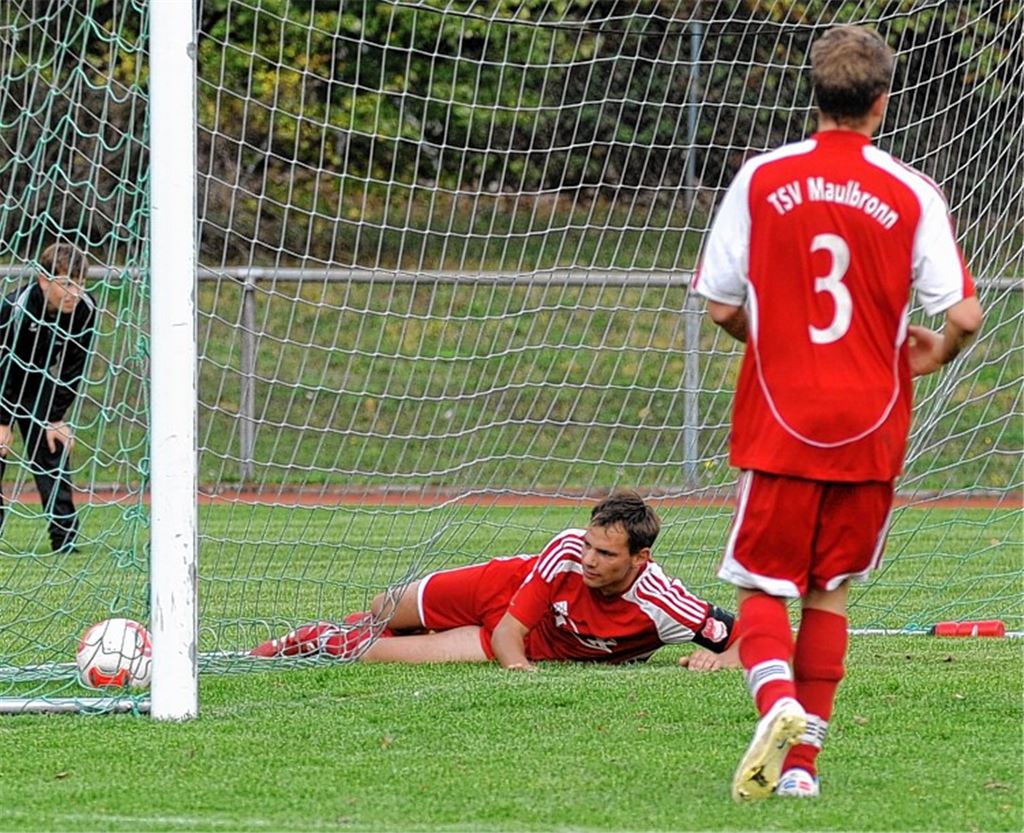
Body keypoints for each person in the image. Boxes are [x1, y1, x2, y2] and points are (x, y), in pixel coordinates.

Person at [693, 25, 983, 801]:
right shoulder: (911, 191)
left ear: (815, 93)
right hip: (871, 424)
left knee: (761, 587)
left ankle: (774, 700)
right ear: (882, 102)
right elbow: (964, 314)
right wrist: (936, 352)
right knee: (830, 590)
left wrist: (769, 337)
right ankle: (801, 772)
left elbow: (719, 303)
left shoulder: (762, 177)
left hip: (781, 418)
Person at [252, 490, 741, 672]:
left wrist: (721, 658)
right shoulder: (567, 550)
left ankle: (309, 638)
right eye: (589, 545)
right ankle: (376, 623)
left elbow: (756, 636)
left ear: (640, 558)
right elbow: (510, 630)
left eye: (605, 553)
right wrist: (518, 672)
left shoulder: (665, 603)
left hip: (526, 641)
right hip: (502, 592)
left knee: (370, 653)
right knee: (383, 606)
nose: (588, 558)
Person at [0, 242, 97, 553]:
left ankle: (64, 540)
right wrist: (2, 422)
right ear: (44, 280)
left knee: (52, 448)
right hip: (3, 381)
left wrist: (55, 418)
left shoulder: (85, 309)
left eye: (80, 284)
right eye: (66, 283)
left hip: (37, 384)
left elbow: (73, 367)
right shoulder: (15, 308)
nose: (74, 293)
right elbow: (3, 366)